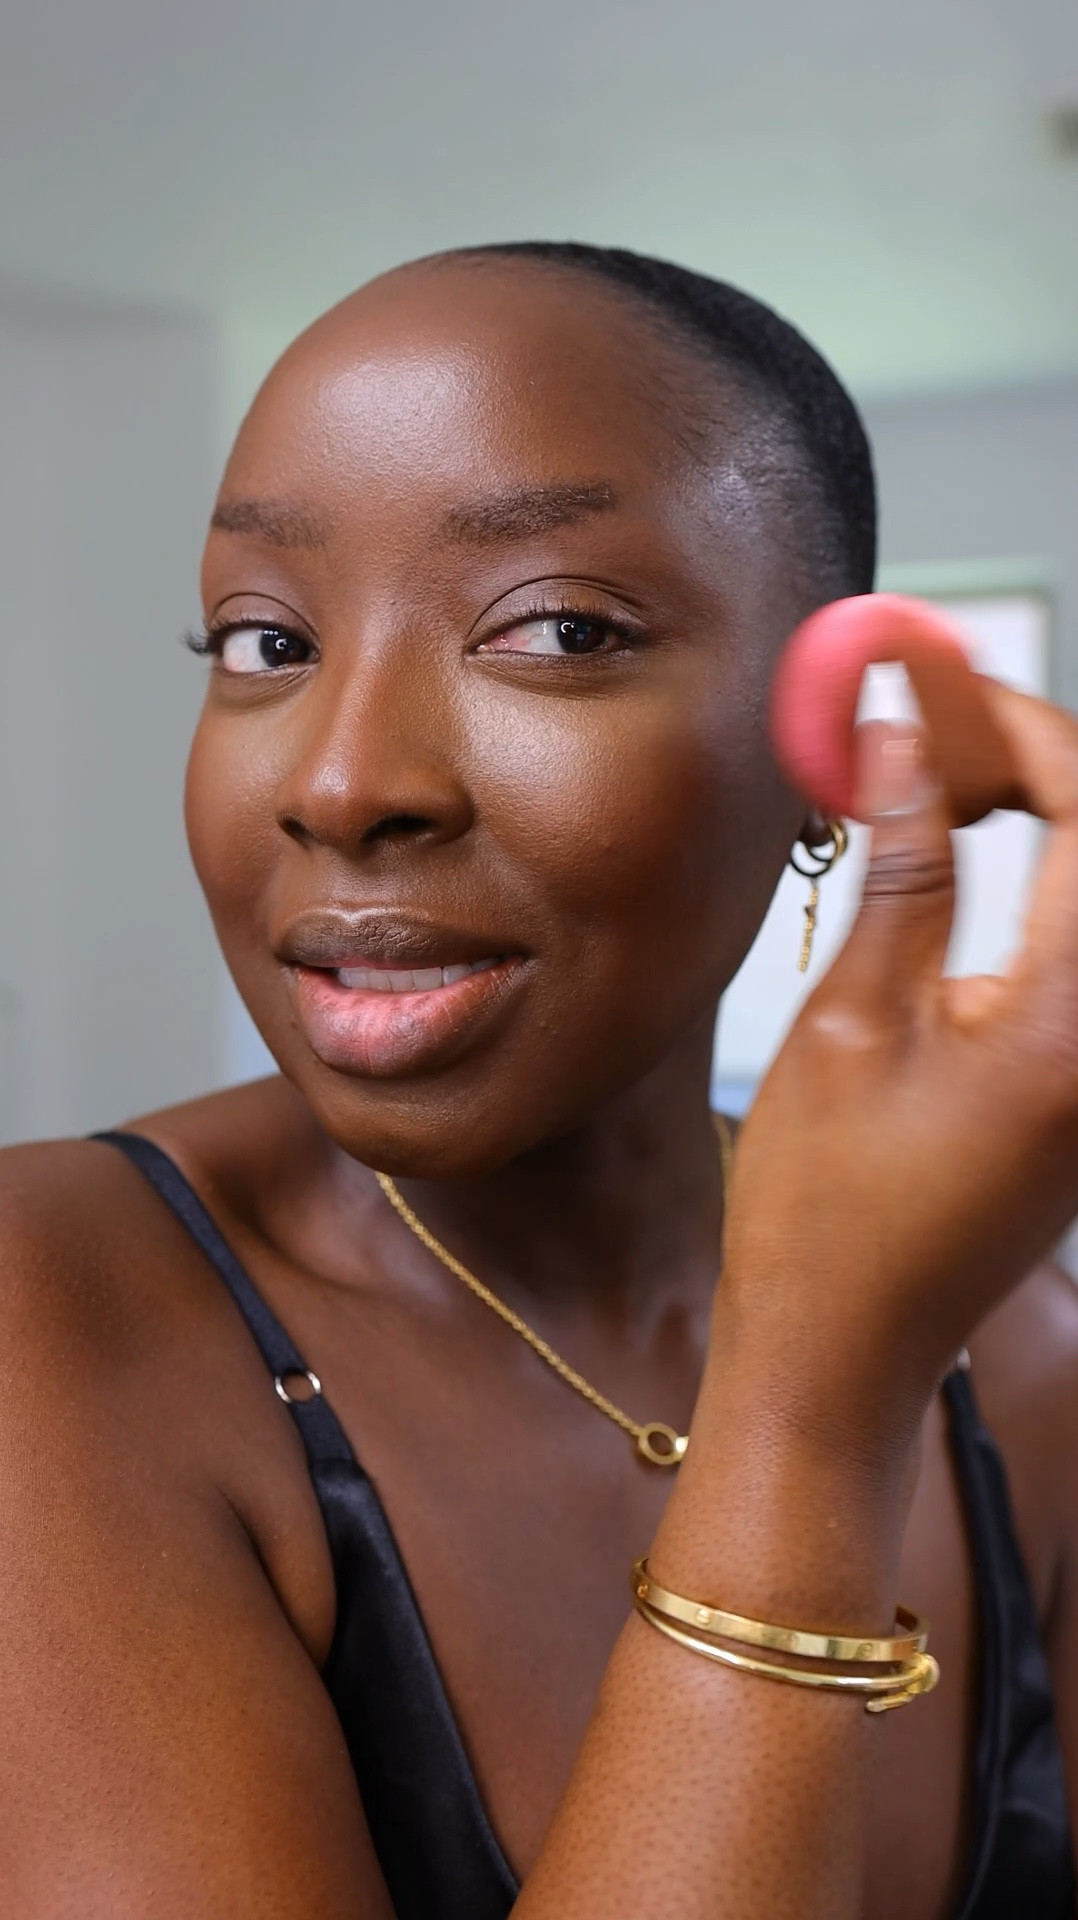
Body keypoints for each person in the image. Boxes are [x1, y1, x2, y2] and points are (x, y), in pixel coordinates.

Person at [2, 241, 1078, 1920]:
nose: (344, 782)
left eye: (554, 628)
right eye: (262, 640)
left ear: (848, 733)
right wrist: (807, 1407)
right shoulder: (53, 1301)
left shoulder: (1025, 1355)